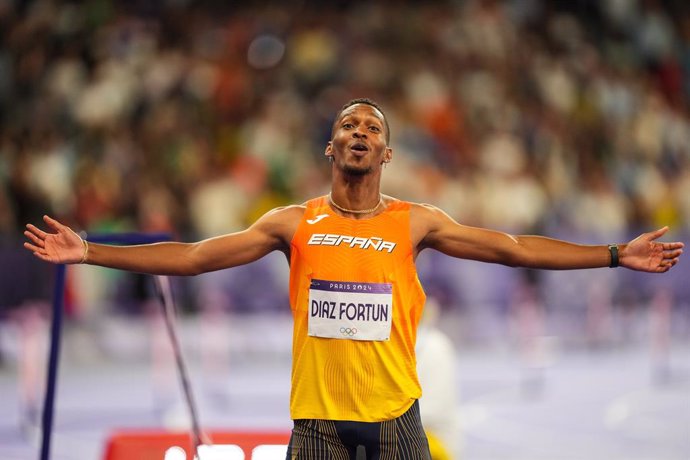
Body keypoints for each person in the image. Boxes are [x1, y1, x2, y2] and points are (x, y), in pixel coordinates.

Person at [24, 98, 684, 459]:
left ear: (388, 153)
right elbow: (195, 256)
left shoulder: (417, 222)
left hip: (399, 426)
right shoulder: (291, 223)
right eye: (348, 125)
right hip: (317, 431)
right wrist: (88, 251)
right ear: (332, 148)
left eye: (372, 127)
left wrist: (613, 254)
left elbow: (511, 248)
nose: (359, 131)